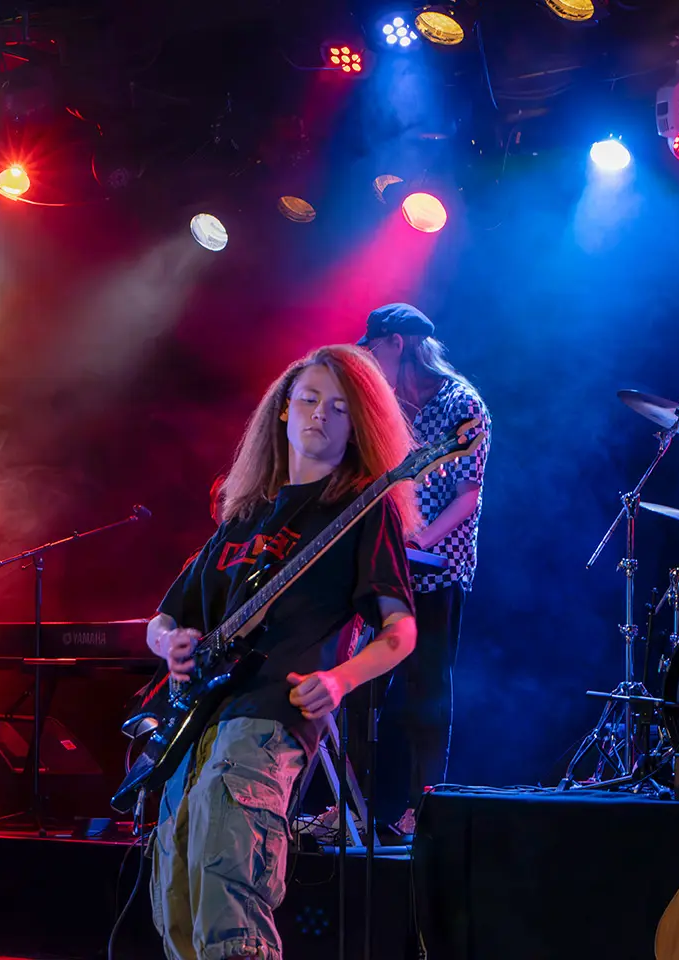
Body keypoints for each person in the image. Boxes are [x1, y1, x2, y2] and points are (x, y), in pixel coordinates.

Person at [144, 344, 420, 960]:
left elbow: (401, 631)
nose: (321, 414)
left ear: (359, 427)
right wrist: (172, 643)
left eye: (340, 408)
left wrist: (342, 680)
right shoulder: (241, 517)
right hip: (194, 726)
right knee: (177, 907)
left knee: (228, 893)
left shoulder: (359, 511)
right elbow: (164, 617)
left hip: (270, 718)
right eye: (310, 399)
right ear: (283, 411)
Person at [358, 302, 490, 838]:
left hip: (438, 569)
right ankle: (360, 811)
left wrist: (417, 541)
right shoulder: (391, 406)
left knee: (426, 692)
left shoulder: (462, 404)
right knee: (363, 693)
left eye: (374, 348)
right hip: (389, 570)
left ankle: (423, 810)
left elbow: (467, 497)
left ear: (395, 343)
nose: (369, 359)